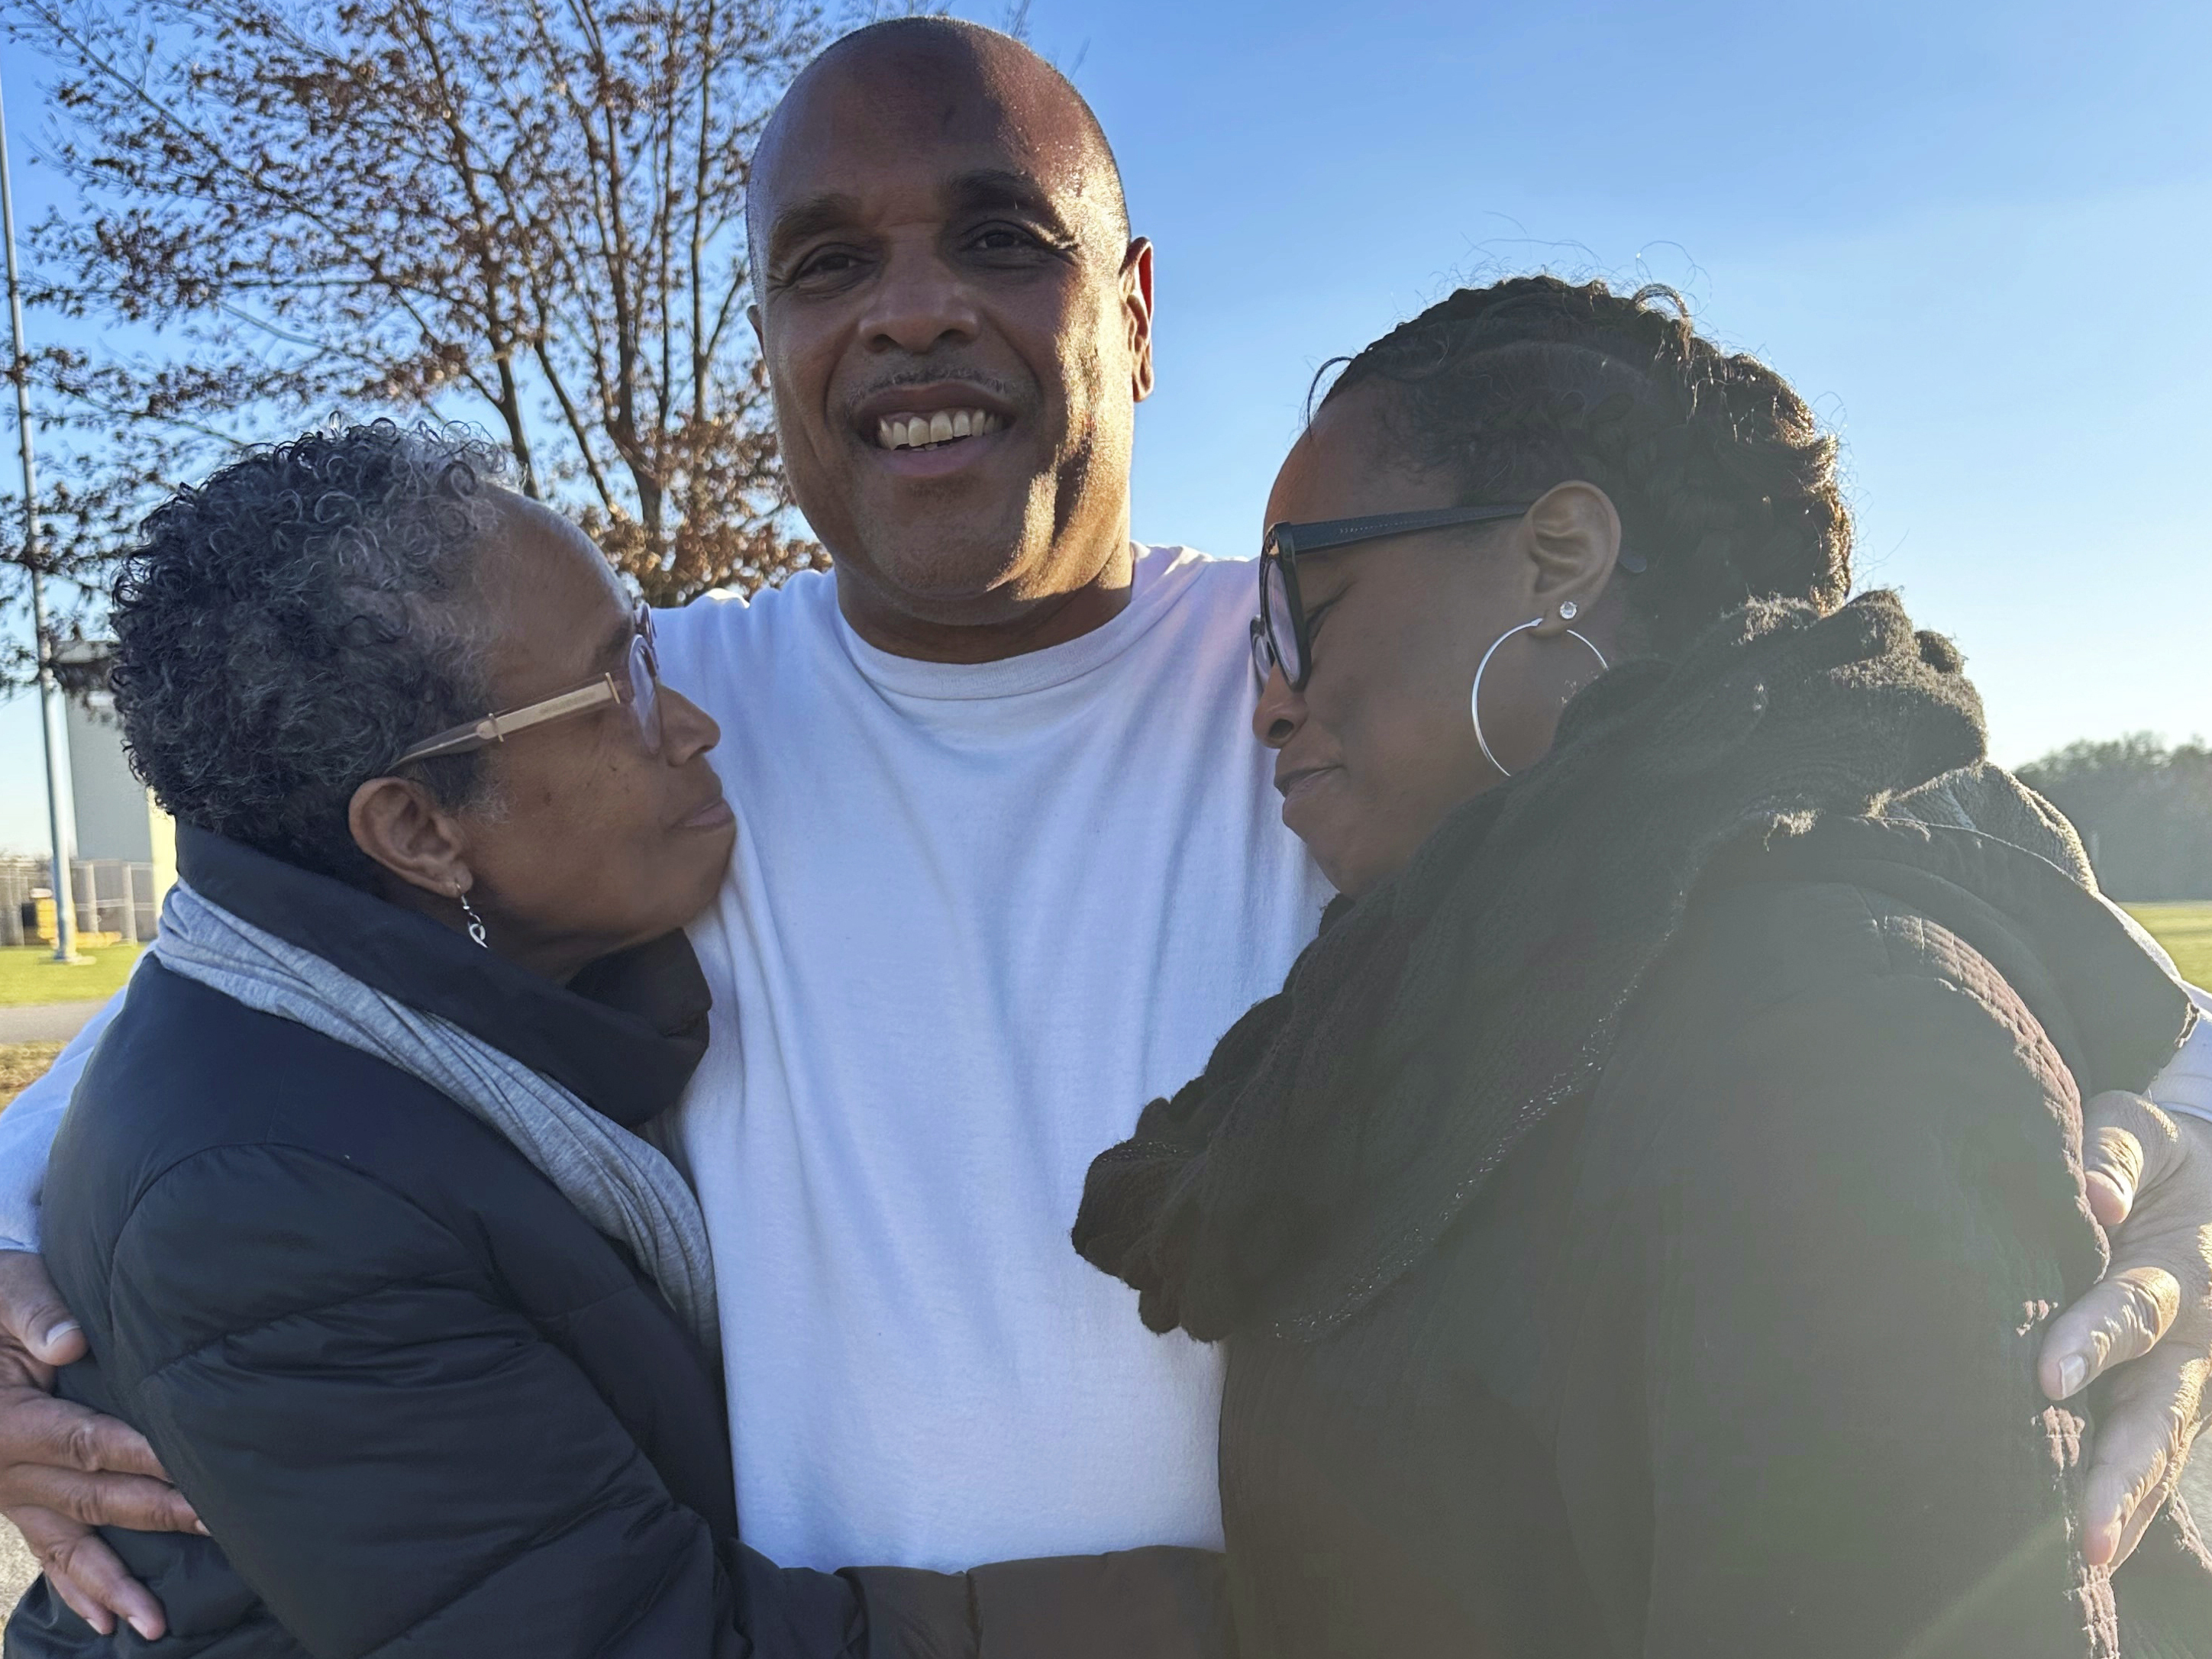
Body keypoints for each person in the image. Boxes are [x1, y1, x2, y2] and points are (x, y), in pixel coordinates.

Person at [0, 16, 2208, 1641]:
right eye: (821, 263)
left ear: (1135, 315)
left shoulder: (1359, 679)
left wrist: (2174, 1182)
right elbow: (222, 1031)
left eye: (997, 237)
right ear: (770, 349)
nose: (911, 304)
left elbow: (1885, 821)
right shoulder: (646, 723)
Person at [1074, 276, 2212, 1656]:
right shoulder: (1452, 995)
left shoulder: (1821, 1025)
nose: (1264, 696)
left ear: (1558, 555)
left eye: (1297, 598)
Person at [3, 423, 1224, 1658]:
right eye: (622, 683)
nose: (695, 721)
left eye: (647, 639)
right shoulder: (269, 1203)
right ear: (421, 829)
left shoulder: (392, 1002)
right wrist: (1255, 1614)